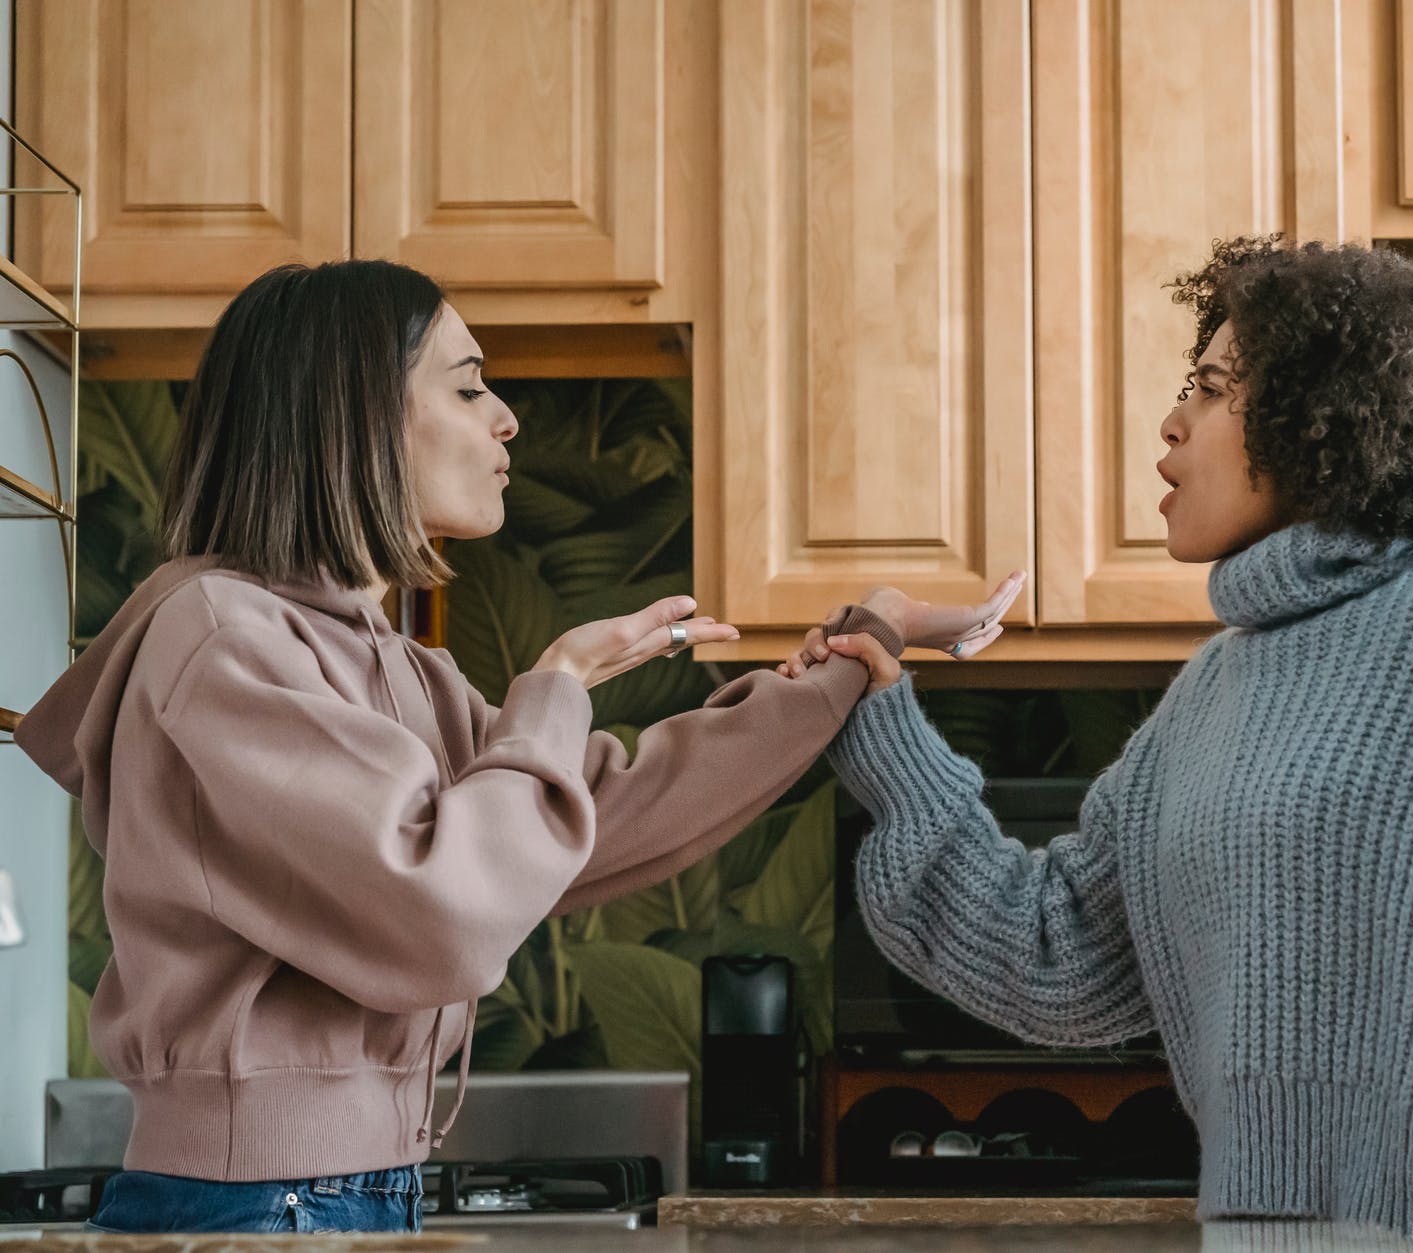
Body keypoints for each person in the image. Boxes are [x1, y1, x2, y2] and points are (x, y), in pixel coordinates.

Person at [790, 237, 1413, 1253]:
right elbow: (1056, 953)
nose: (1173, 420)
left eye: (1214, 388)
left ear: (1333, 424)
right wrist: (882, 722)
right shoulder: (1215, 687)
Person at [15, 259, 1022, 1235]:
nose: (506, 417)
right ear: (354, 415)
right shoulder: (223, 638)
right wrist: (554, 683)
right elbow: (438, 904)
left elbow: (586, 821)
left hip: (338, 1190)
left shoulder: (398, 667)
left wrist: (853, 655)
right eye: (467, 386)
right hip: (259, 1199)